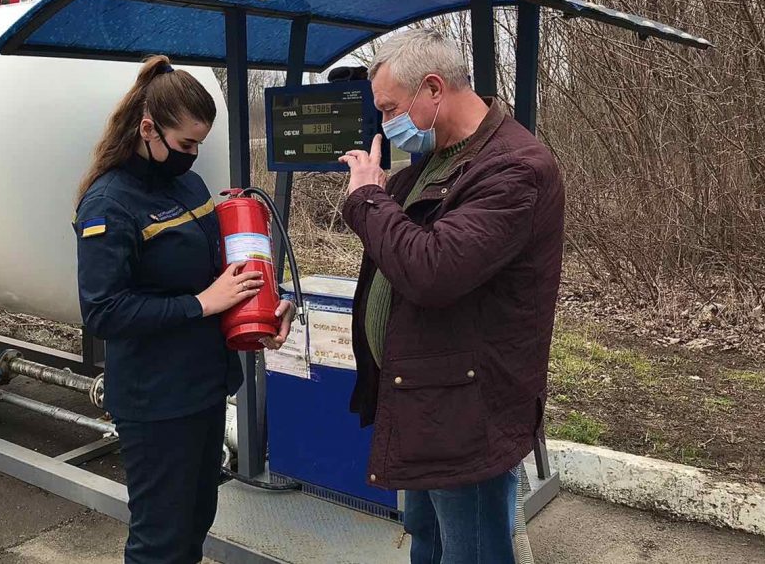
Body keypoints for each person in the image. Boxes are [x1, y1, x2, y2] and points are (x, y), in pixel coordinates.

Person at [338, 29, 565, 563]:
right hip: (421, 399)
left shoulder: (515, 169)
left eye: (390, 108)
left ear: (433, 89)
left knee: (472, 550)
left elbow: (432, 270)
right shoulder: (427, 166)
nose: (386, 123)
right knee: (427, 536)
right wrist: (380, 195)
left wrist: (369, 200)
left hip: (467, 413)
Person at [73, 55, 292, 564]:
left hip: (203, 388)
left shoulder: (187, 187)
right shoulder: (108, 204)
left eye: (200, 143)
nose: (192, 155)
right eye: (186, 143)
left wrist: (260, 314)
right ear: (148, 128)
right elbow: (103, 312)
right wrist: (201, 304)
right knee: (160, 542)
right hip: (155, 403)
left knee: (195, 522)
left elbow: (221, 274)